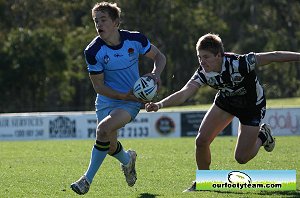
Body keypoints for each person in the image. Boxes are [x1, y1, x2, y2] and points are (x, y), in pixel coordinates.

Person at [145, 33, 300, 192]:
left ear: (219, 55)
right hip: (226, 103)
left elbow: (274, 56)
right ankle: (204, 181)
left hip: (251, 107)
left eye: (206, 57)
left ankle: (263, 136)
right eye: (199, 57)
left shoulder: (240, 63)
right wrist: (160, 104)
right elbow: (185, 93)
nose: (202, 62)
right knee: (201, 141)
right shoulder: (203, 73)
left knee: (241, 158)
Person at [70, 2, 166, 195]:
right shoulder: (93, 51)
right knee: (110, 145)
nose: (99, 24)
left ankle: (86, 180)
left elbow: (159, 57)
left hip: (131, 101)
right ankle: (128, 160)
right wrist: (123, 94)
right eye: (96, 21)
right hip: (107, 99)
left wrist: (156, 75)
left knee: (102, 129)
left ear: (116, 22)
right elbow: (99, 87)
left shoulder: (135, 39)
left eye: (103, 20)